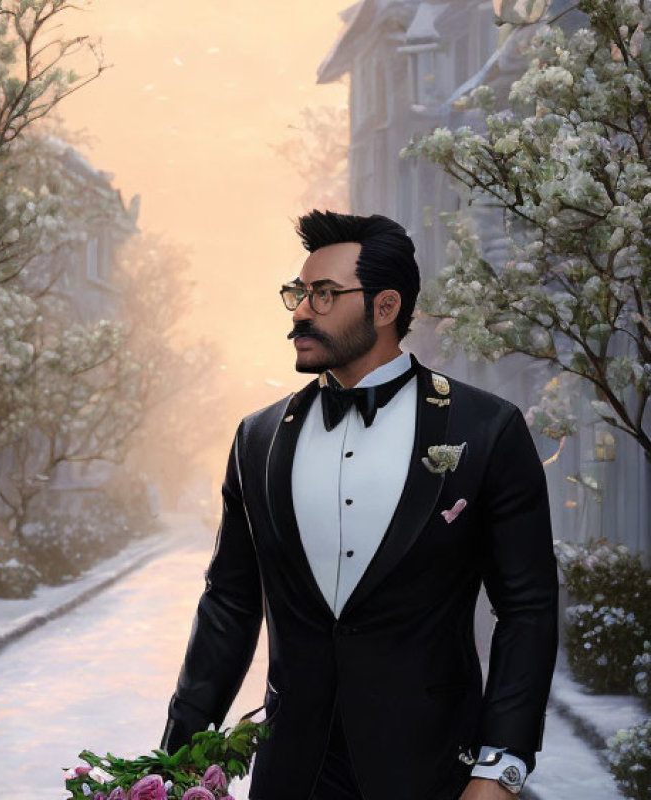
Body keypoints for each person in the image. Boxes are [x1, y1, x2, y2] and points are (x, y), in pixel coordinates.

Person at [159, 211, 558, 800]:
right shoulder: (258, 439)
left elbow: (526, 608)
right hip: (292, 770)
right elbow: (229, 605)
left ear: (386, 306)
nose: (300, 312)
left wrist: (499, 769)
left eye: (323, 295)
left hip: (433, 769)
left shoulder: (488, 428)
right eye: (299, 293)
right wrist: (176, 763)